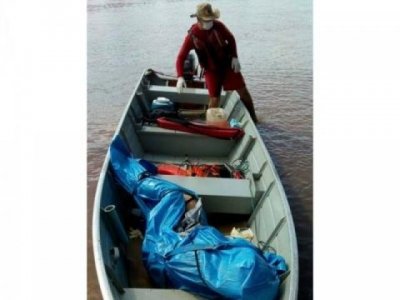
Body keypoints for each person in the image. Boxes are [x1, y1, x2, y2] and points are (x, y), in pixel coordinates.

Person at [175, 3, 258, 123]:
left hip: (228, 65)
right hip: (211, 70)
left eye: (211, 20)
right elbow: (180, 57)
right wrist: (180, 77)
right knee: (214, 99)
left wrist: (235, 57)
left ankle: (254, 119)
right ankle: (211, 124)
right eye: (206, 20)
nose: (210, 22)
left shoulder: (219, 26)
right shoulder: (192, 36)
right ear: (199, 19)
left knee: (243, 92)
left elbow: (231, 39)